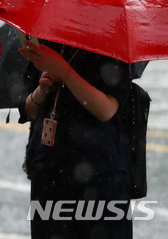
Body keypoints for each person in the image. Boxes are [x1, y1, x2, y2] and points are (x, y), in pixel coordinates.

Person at [17, 39, 133, 239]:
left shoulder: (109, 42)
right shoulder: (45, 39)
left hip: (100, 173)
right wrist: (42, 90)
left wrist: (63, 70)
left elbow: (106, 110)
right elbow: (27, 110)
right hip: (49, 171)